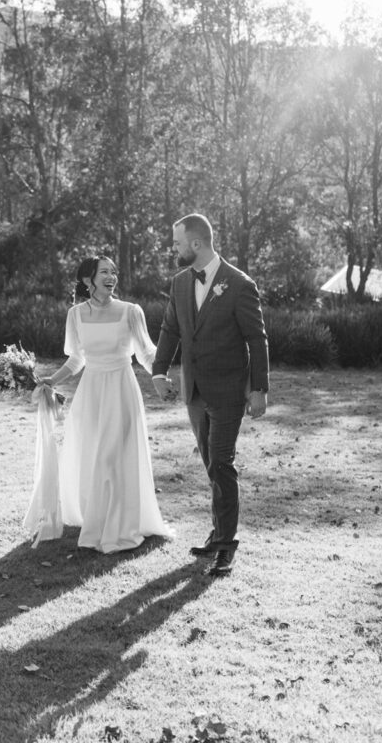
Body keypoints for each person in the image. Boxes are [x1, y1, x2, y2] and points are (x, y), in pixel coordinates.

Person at [152, 213, 269, 577]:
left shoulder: (239, 283)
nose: (174, 249)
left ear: (197, 243)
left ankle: (226, 546)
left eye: (177, 243)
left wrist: (259, 389)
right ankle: (219, 533)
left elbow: (256, 338)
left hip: (229, 390)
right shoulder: (180, 283)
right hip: (195, 391)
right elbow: (171, 329)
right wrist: (159, 370)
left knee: (221, 463)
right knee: (211, 465)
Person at [38, 256, 171, 554]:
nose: (112, 276)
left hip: (121, 389)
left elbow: (146, 353)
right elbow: (76, 359)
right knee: (95, 456)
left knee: (113, 456)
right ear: (88, 281)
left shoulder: (130, 312)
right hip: (91, 392)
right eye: (104, 272)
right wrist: (51, 381)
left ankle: (119, 527)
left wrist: (160, 375)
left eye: (114, 272)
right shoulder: (75, 315)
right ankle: (97, 520)